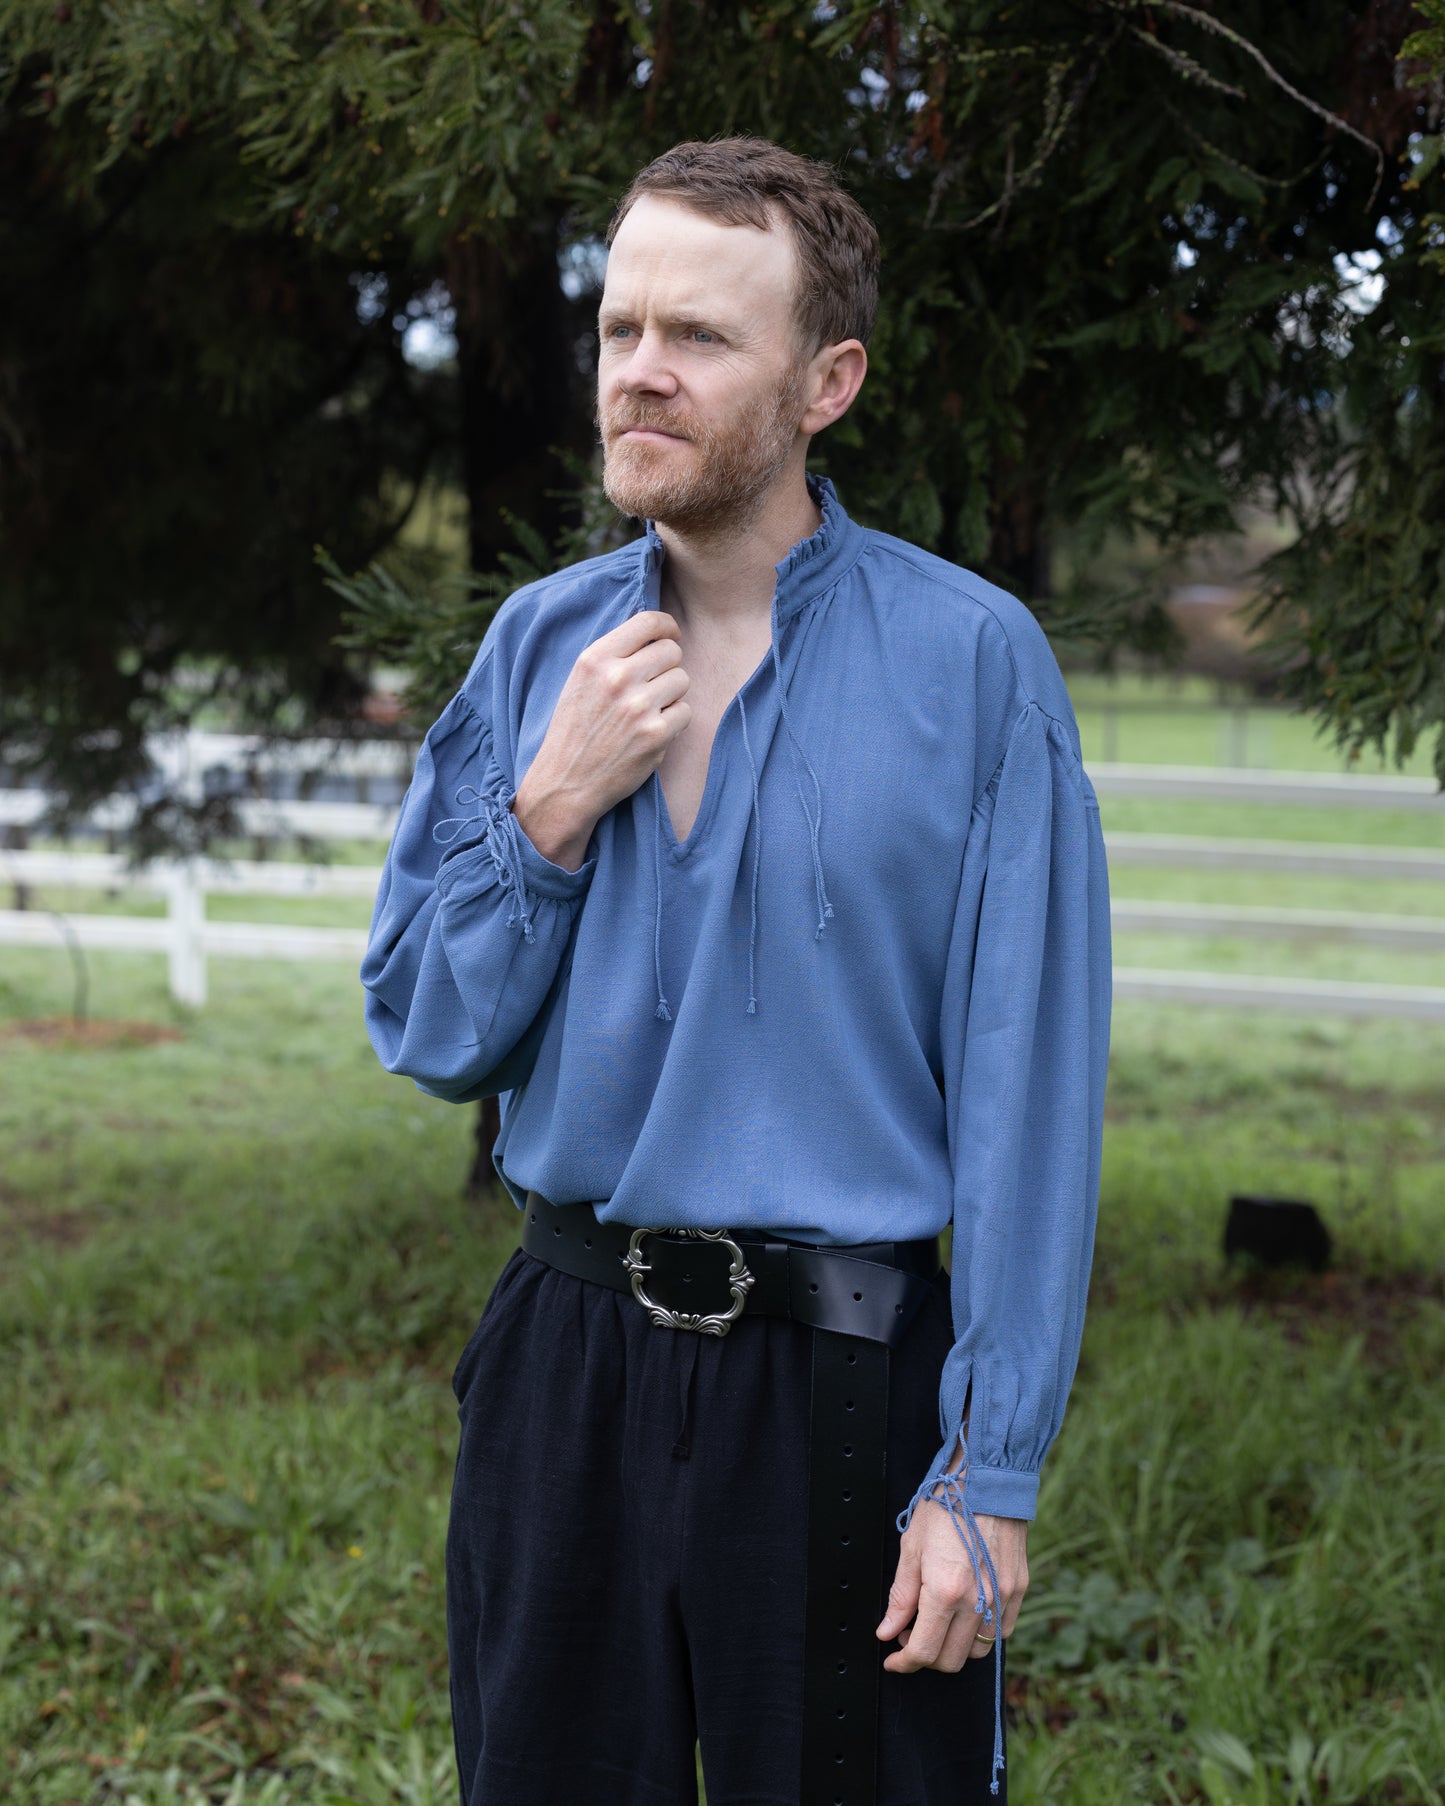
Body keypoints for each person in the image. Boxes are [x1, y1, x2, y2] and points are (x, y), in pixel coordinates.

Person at [361, 136, 1111, 1806]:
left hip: (846, 1389)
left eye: (698, 335)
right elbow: (425, 1024)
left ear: (823, 380)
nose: (640, 369)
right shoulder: (538, 648)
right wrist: (548, 805)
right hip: (563, 1364)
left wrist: (986, 1472)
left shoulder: (973, 662)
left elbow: (1027, 1093)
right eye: (621, 326)